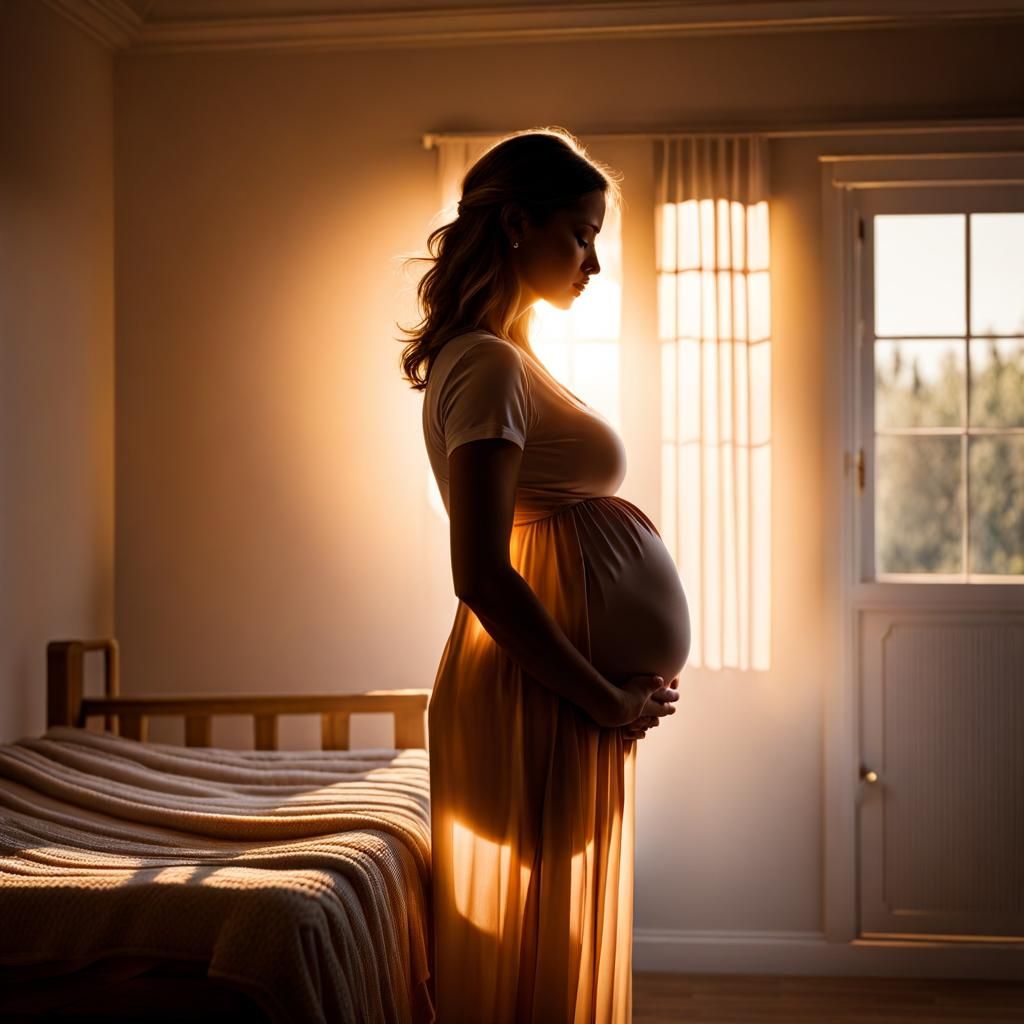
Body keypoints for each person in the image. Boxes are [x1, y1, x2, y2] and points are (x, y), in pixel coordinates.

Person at [397, 126, 691, 1023]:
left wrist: (609, 690)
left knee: (548, 950)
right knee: (531, 960)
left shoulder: (505, 355)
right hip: (541, 692)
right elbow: (481, 573)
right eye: (581, 233)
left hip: (556, 690)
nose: (593, 262)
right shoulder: (485, 365)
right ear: (518, 224)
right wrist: (602, 695)